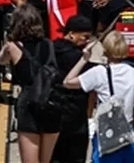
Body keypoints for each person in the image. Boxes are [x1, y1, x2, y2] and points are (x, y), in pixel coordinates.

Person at [61, 30, 134, 163]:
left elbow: (67, 82)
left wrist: (84, 59)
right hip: (128, 134)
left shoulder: (99, 73)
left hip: (107, 134)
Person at [0, 5, 60, 163]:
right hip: (51, 102)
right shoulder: (49, 44)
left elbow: (0, 59)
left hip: (29, 102)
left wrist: (7, 42)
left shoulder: (13, 47)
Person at [53, 15, 96, 163]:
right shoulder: (76, 58)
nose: (87, 41)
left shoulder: (51, 49)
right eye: (85, 37)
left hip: (52, 114)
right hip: (74, 116)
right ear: (71, 34)